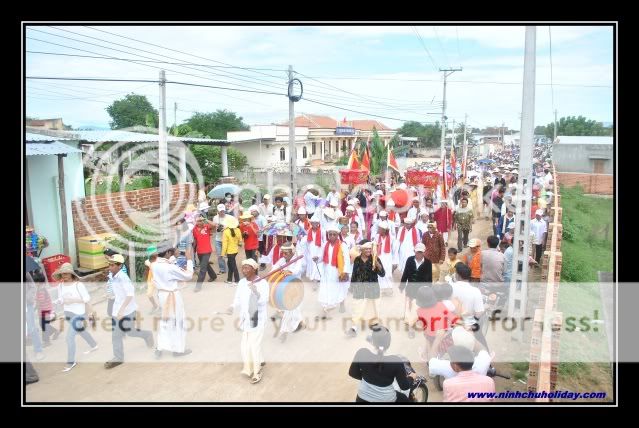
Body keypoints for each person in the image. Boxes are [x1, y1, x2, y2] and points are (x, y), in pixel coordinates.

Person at [104, 254, 154, 369]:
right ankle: (118, 357)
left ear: (119, 266)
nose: (109, 267)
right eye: (109, 265)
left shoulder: (123, 278)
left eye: (112, 265)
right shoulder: (112, 275)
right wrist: (110, 295)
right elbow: (116, 291)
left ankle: (147, 335)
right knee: (116, 335)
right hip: (117, 310)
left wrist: (121, 310)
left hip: (127, 311)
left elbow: (130, 295)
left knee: (130, 332)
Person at [226, 258, 270, 384]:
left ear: (254, 269)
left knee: (253, 345)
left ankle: (257, 371)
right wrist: (232, 306)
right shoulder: (241, 283)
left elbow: (264, 301)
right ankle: (257, 362)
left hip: (258, 319)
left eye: (247, 268)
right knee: (246, 344)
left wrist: (256, 292)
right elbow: (238, 299)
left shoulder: (262, 283)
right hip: (245, 319)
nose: (244, 270)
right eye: (243, 268)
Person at [349, 325, 415, 403]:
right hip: (387, 399)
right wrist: (411, 378)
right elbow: (404, 387)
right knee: (404, 398)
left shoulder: (362, 353)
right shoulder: (395, 361)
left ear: (372, 340)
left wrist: (370, 377)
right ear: (389, 343)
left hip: (362, 399)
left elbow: (352, 373)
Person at [52, 263, 99, 372]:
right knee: (80, 330)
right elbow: (61, 299)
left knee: (69, 337)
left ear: (71, 274)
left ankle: (71, 362)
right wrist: (57, 302)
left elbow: (86, 299)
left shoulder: (78, 285)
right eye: (62, 273)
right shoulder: (60, 286)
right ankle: (94, 345)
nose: (64, 276)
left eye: (66, 273)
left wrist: (91, 313)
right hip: (68, 313)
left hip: (79, 314)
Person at [151, 242, 194, 359]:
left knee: (165, 321)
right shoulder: (169, 267)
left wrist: (174, 260)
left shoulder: (155, 264)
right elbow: (188, 275)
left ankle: (160, 347)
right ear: (168, 253)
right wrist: (189, 260)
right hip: (172, 296)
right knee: (178, 321)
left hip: (162, 295)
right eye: (173, 249)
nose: (176, 250)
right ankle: (178, 349)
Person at [346, 241, 386, 337]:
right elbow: (354, 274)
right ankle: (354, 327)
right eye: (366, 249)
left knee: (374, 305)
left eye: (369, 249)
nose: (368, 250)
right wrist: (352, 287)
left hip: (373, 286)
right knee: (357, 306)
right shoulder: (357, 260)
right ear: (362, 250)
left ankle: (374, 323)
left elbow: (382, 274)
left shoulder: (375, 259)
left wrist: (376, 263)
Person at [269, 243, 305, 342]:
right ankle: (301, 323)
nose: (284, 255)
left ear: (291, 252)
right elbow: (274, 268)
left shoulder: (298, 260)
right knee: (294, 309)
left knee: (290, 309)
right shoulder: (282, 260)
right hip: (285, 288)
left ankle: (284, 331)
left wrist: (288, 271)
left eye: (286, 253)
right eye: (283, 253)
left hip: (296, 288)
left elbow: (297, 270)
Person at [450, 263, 489, 352]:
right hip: (469, 323)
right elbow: (479, 312)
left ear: (457, 275)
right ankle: (488, 361)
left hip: (452, 323)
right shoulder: (475, 291)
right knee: (479, 336)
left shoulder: (451, 287)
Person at [317, 224, 352, 319]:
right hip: (326, 270)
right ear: (328, 235)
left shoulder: (342, 245)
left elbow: (347, 260)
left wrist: (345, 272)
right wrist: (317, 259)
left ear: (337, 235)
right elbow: (321, 257)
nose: (332, 236)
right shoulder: (325, 244)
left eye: (334, 234)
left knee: (340, 288)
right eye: (330, 234)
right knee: (326, 287)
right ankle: (327, 307)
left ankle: (341, 304)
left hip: (337, 270)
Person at [399, 243, 432, 338]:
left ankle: (413, 320)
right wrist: (401, 286)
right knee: (410, 307)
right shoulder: (410, 260)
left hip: (421, 290)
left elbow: (429, 278)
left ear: (424, 252)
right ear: (414, 251)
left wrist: (429, 289)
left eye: (421, 252)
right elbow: (405, 273)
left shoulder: (428, 263)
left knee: (417, 307)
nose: (419, 254)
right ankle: (411, 328)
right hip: (410, 289)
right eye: (417, 252)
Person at [192, 214, 218, 292]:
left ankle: (198, 286)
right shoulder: (194, 229)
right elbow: (195, 240)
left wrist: (205, 219)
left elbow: (214, 225)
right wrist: (193, 250)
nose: (199, 222)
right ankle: (213, 276)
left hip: (207, 251)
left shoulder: (207, 227)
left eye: (200, 221)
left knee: (202, 268)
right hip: (199, 251)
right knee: (206, 265)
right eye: (197, 221)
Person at [374, 221, 398, 297]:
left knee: (387, 273)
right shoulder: (376, 237)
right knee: (379, 273)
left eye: (380, 229)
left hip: (388, 258)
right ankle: (381, 289)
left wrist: (395, 262)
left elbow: (395, 251)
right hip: (379, 257)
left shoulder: (392, 238)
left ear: (384, 230)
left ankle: (389, 289)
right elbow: (374, 248)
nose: (378, 230)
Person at [222, 215, 243, 285]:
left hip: (229, 251)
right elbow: (240, 240)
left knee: (233, 265)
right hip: (235, 250)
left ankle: (237, 280)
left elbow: (224, 244)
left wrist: (222, 254)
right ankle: (229, 279)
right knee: (230, 264)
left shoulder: (225, 232)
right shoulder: (238, 230)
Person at [305, 211, 324, 284]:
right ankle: (313, 277)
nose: (314, 224)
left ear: (318, 223)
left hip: (319, 249)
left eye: (316, 223)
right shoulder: (308, 231)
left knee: (319, 263)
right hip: (311, 249)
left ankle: (318, 277)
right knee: (312, 263)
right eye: (313, 223)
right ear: (311, 223)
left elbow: (324, 241)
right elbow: (306, 241)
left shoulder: (322, 231)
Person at [143, 246, 161, 314]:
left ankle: (161, 307)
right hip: (150, 279)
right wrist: (145, 281)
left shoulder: (159, 260)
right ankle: (155, 306)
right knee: (149, 294)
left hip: (159, 279)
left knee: (160, 294)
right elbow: (147, 271)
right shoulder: (147, 262)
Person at [213, 204, 229, 275]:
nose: (222, 212)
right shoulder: (215, 218)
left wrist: (226, 227)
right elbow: (214, 227)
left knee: (229, 255)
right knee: (220, 255)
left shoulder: (229, 217)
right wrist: (217, 228)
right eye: (220, 211)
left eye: (223, 211)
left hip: (227, 239)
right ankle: (222, 269)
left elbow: (234, 226)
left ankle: (230, 268)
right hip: (218, 239)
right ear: (218, 211)